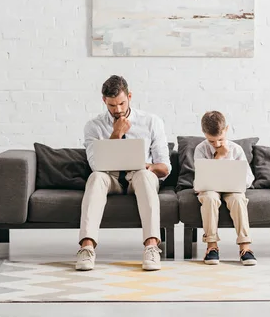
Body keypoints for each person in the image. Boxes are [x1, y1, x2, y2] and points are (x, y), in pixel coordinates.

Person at [76, 75, 171, 271]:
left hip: (139, 176)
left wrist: (149, 167)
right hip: (109, 178)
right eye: (112, 105)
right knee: (95, 178)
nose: (117, 110)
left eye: (121, 103)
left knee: (144, 176)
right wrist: (116, 134)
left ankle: (152, 247)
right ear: (104, 101)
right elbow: (96, 165)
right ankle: (87, 248)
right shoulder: (93, 126)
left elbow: (165, 167)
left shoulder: (152, 122)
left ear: (129, 96)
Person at [194, 111, 257, 266]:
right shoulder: (200, 149)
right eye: (211, 141)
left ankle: (245, 247)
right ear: (204, 133)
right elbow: (203, 179)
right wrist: (219, 156)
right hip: (210, 189)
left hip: (232, 189)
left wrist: (237, 181)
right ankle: (211, 246)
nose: (216, 144)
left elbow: (249, 179)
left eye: (220, 139)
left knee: (238, 199)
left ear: (226, 129)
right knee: (209, 198)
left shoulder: (236, 150)